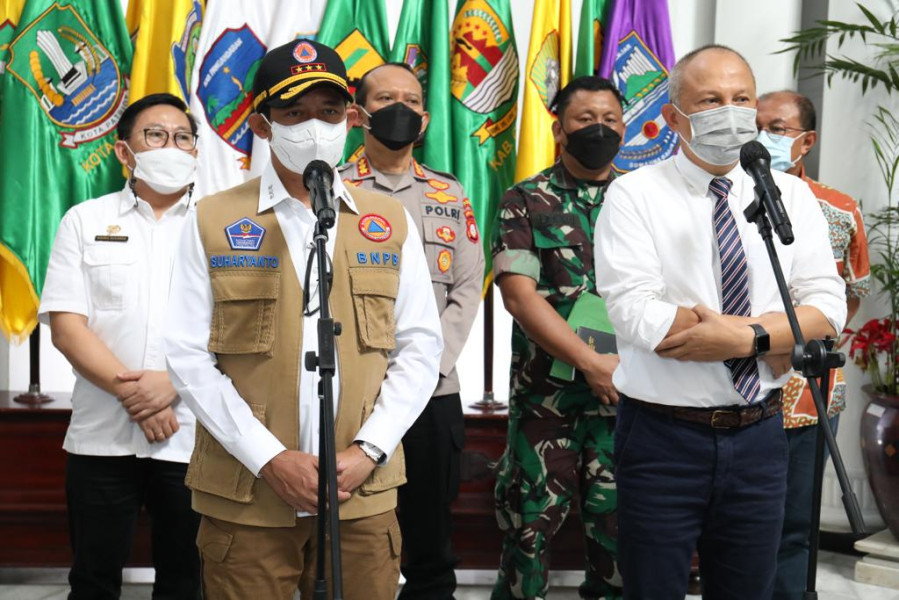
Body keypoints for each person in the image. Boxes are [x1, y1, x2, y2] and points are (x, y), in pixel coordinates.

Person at [163, 39, 443, 600]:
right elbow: (186, 354)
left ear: (352, 119)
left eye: (330, 112)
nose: (314, 127)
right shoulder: (213, 220)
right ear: (263, 126)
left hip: (360, 490)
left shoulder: (388, 222)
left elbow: (420, 347)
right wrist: (269, 458)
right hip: (248, 490)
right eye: (293, 114)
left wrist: (368, 451)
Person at [593, 45, 847, 599]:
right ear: (673, 115)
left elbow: (827, 306)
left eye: (741, 99)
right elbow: (638, 315)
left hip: (759, 434)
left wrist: (743, 336)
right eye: (710, 100)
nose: (729, 112)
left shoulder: (790, 195)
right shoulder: (634, 194)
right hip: (663, 438)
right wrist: (777, 334)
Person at [40, 92, 201, 599]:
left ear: (197, 150)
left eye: (182, 137)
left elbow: (241, 329)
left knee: (186, 581)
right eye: (155, 135)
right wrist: (137, 395)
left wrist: (171, 385)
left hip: (195, 436)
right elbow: (67, 326)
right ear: (124, 151)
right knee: (92, 580)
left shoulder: (224, 227)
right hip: (101, 438)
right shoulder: (84, 220)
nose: (170, 146)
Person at [340, 62, 484, 599]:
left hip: (432, 392)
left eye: (411, 100)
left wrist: (424, 370)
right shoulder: (331, 188)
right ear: (358, 114)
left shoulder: (449, 194)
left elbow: (468, 288)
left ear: (424, 119)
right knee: (348, 532)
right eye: (384, 99)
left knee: (430, 539)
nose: (399, 109)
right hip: (354, 391)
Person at [491, 76, 625, 600]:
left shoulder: (645, 198)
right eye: (584, 119)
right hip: (547, 399)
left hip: (627, 397)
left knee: (618, 535)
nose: (599, 129)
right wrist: (591, 364)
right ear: (559, 129)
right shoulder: (524, 199)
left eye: (610, 119)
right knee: (528, 533)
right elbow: (520, 298)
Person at [757, 90, 871, 600]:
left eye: (778, 128)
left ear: (807, 139)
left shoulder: (841, 209)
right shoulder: (722, 197)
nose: (764, 137)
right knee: (737, 522)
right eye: (757, 125)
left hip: (809, 390)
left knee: (795, 522)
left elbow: (851, 295)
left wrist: (801, 338)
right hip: (736, 386)